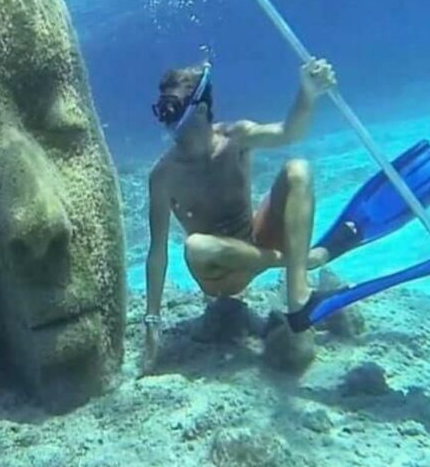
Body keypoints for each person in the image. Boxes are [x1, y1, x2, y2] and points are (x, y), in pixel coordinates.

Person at [141, 57, 338, 374]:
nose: (166, 120)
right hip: (220, 275)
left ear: (201, 110)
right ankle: (300, 261)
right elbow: (157, 253)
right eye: (161, 109)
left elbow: (290, 132)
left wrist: (308, 93)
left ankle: (298, 299)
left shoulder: (237, 137)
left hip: (255, 241)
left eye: (173, 108)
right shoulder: (164, 175)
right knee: (196, 246)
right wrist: (152, 320)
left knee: (298, 170)